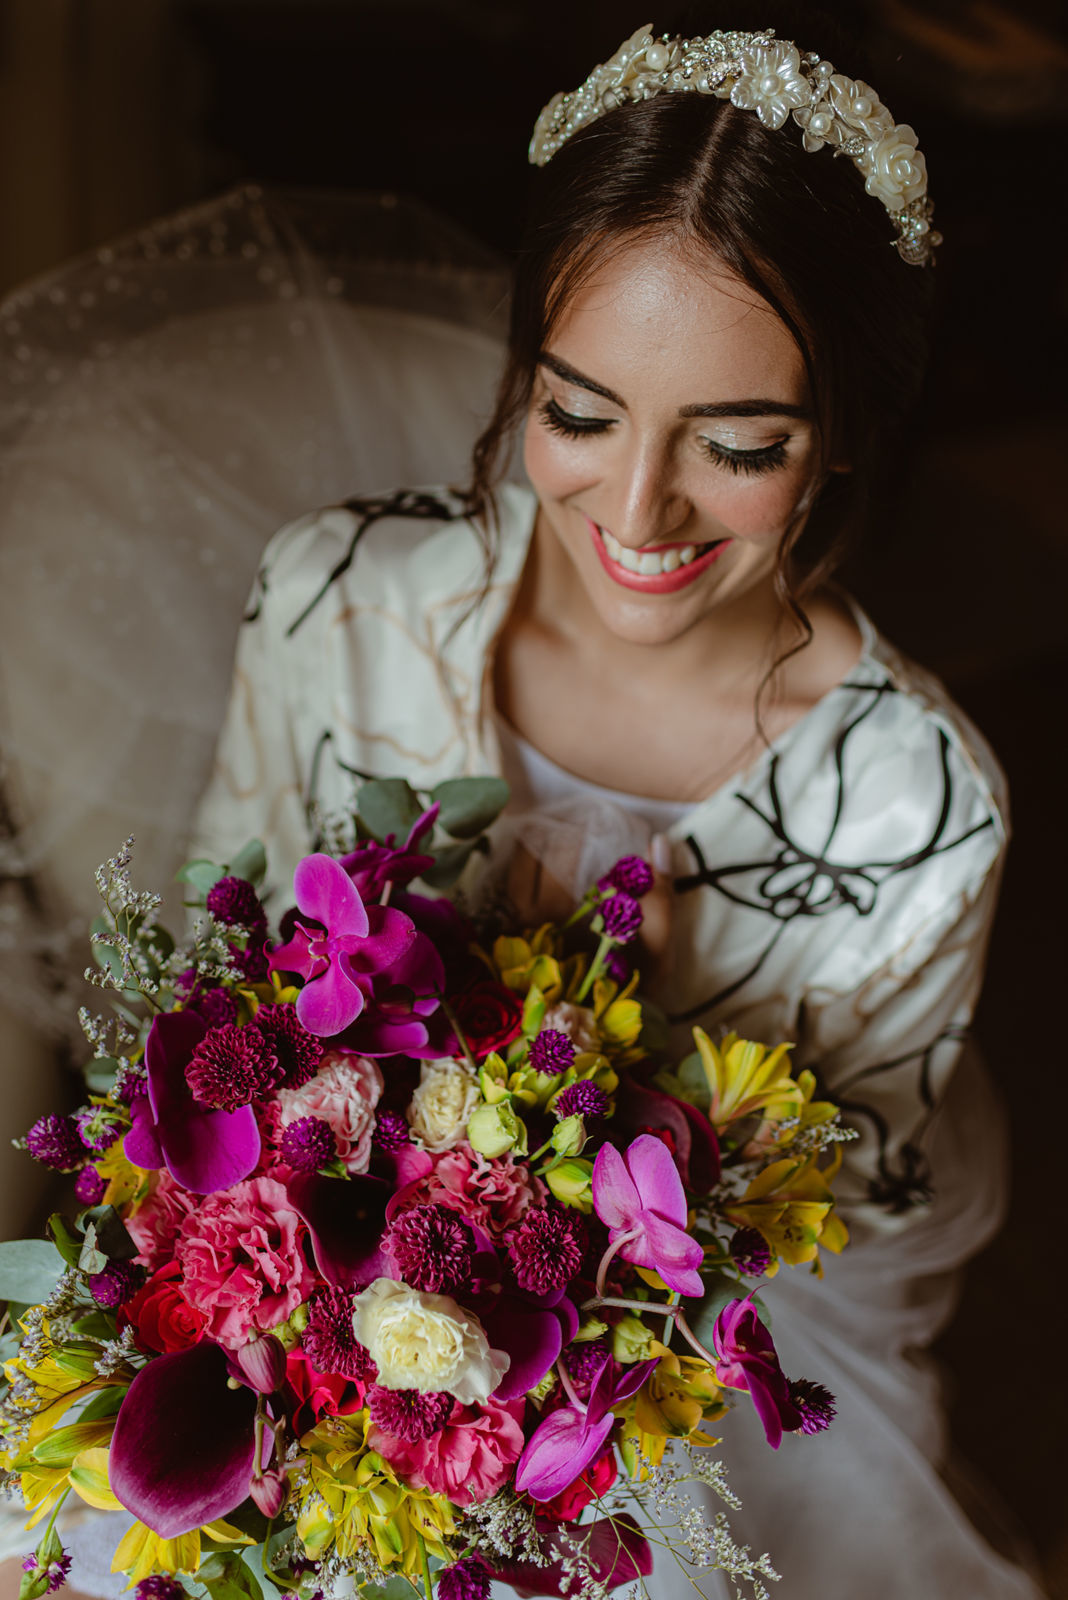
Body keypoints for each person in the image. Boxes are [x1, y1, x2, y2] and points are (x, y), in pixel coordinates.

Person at [0, 10, 1046, 1600]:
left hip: (651, 1423)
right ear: (521, 369)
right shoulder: (335, 599)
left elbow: (865, 1198)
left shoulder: (914, 803)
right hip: (289, 1355)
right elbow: (220, 971)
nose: (640, 512)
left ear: (838, 439)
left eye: (740, 444)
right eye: (578, 413)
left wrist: (580, 1187)